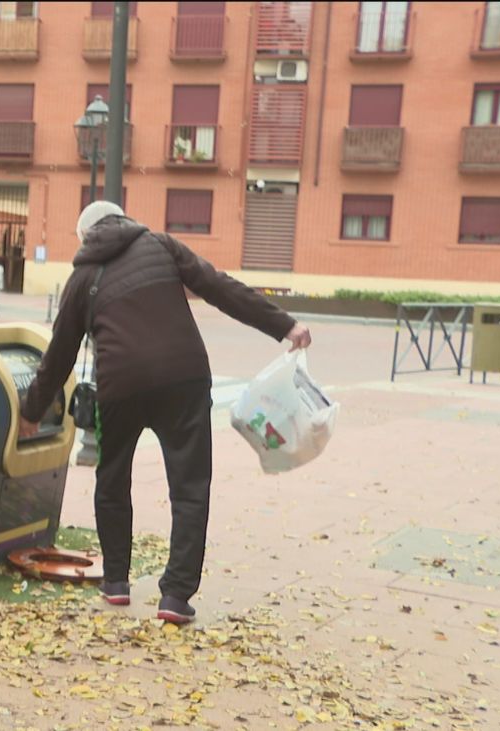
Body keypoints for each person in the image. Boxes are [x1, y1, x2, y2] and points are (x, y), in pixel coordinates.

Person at [19, 201, 312, 624]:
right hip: (184, 379)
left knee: (113, 477)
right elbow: (220, 287)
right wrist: (284, 325)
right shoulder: (160, 245)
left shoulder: (83, 278)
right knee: (190, 486)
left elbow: (58, 356)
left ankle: (116, 582)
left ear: (86, 237)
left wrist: (31, 411)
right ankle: (175, 596)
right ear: (123, 220)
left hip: (121, 386)